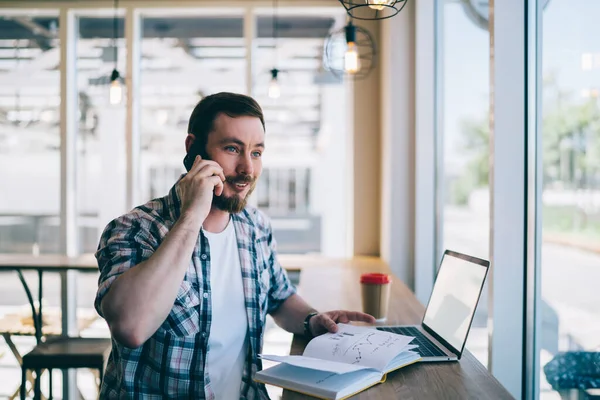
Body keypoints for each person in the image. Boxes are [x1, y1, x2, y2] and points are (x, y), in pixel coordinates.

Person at [94, 92, 376, 399]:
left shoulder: (254, 226)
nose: (247, 169)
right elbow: (130, 328)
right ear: (193, 150)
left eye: (256, 153)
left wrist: (311, 320)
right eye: (232, 149)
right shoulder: (135, 228)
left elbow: (279, 299)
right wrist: (191, 218)